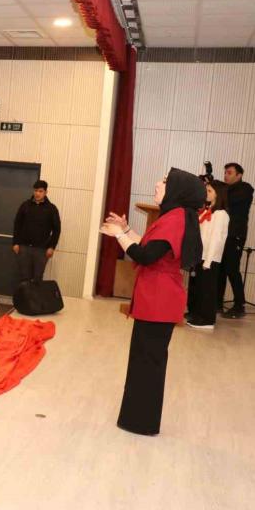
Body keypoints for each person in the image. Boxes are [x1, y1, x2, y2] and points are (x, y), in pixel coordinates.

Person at [100, 168, 205, 436]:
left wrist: (119, 235)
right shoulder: (173, 216)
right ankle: (138, 419)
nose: (158, 184)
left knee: (147, 363)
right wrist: (126, 230)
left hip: (159, 299)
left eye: (165, 182)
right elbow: (151, 248)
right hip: (157, 297)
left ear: (177, 191)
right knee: (145, 360)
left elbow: (145, 256)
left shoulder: (175, 218)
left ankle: (141, 422)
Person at [186, 180, 229, 330]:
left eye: (209, 191)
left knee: (207, 290)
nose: (206, 193)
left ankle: (207, 319)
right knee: (199, 288)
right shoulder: (208, 211)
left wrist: (208, 261)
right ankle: (198, 314)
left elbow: (216, 240)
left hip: (210, 258)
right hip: (202, 255)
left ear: (219, 194)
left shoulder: (221, 214)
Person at [217, 162, 254, 318]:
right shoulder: (225, 189)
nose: (226, 175)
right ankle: (217, 304)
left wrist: (218, 188)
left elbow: (229, 200)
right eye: (225, 172)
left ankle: (239, 306)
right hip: (223, 234)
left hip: (236, 234)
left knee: (232, 269)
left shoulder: (246, 189)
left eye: (230, 172)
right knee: (220, 269)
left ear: (239, 175)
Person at [12, 180, 61, 283]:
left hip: (42, 250)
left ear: (46, 192)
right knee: (24, 278)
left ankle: (35, 294)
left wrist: (52, 247)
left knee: (37, 278)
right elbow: (17, 224)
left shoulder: (51, 209)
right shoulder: (25, 205)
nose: (37, 193)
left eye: (40, 191)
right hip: (24, 247)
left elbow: (57, 229)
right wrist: (15, 242)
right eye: (35, 190)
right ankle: (24, 294)